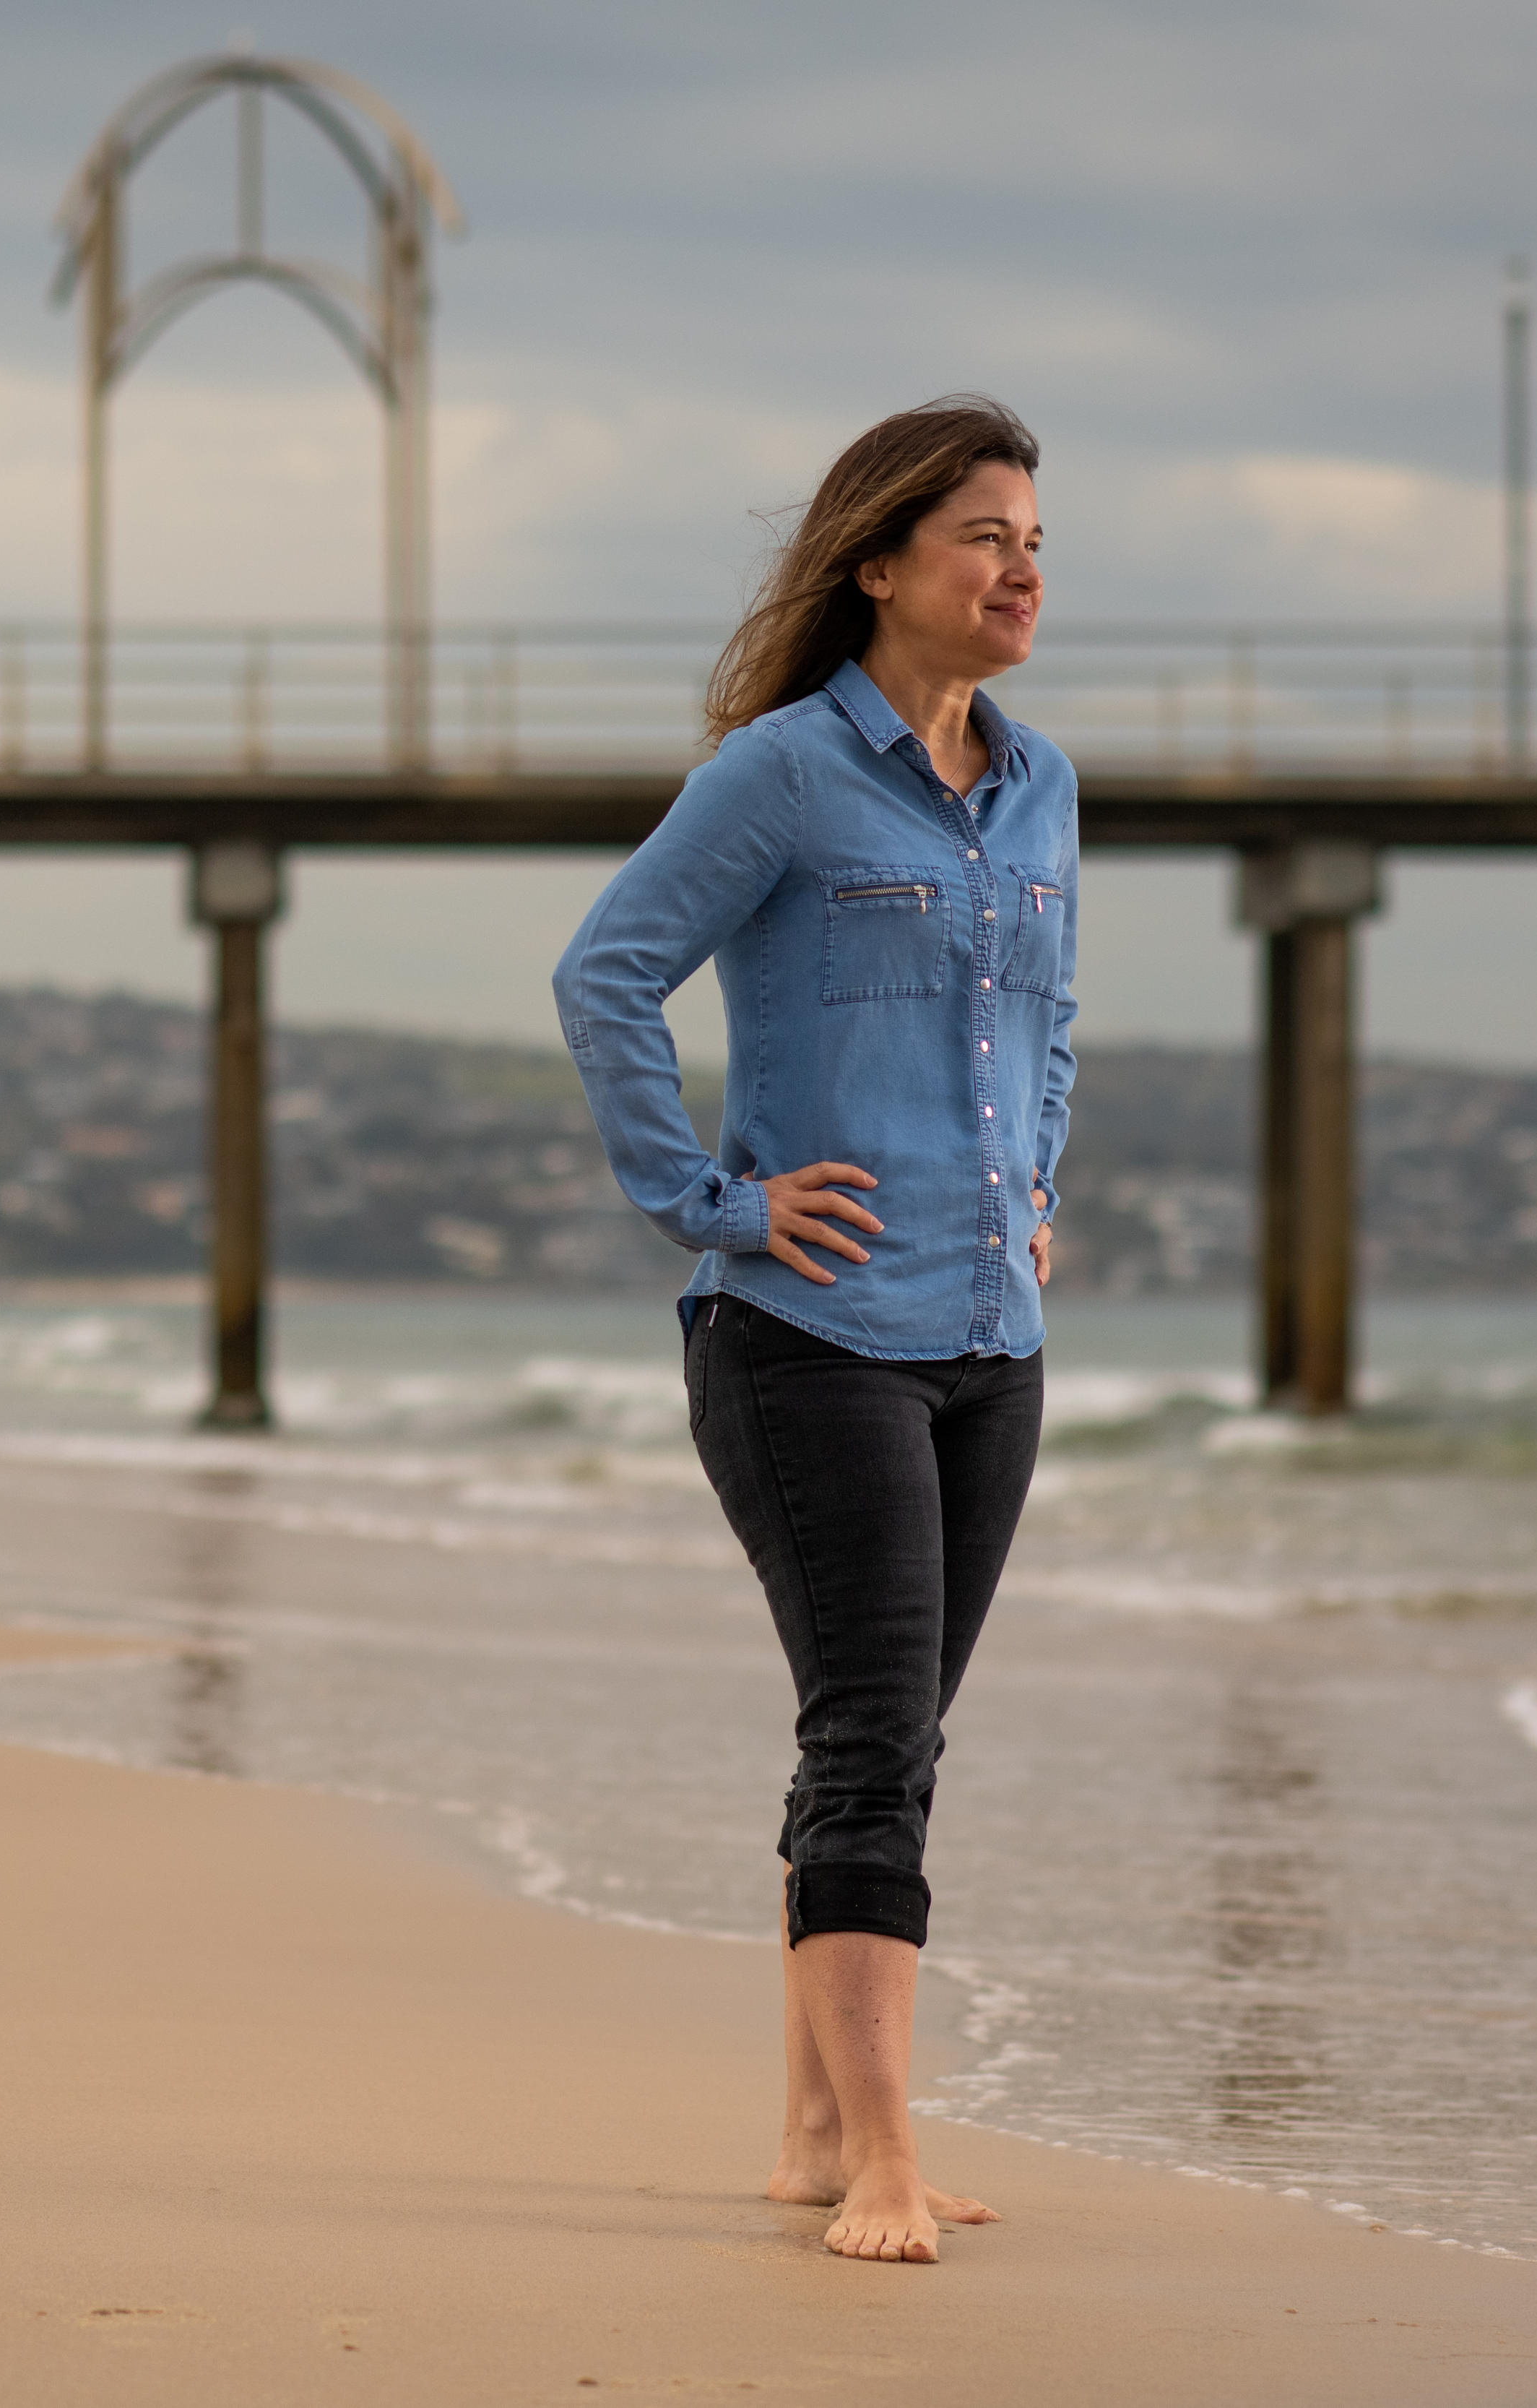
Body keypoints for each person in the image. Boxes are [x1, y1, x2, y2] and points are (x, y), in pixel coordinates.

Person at [550, 396, 1073, 2265]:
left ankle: (804, 2130)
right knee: (868, 1735)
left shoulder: (1042, 786)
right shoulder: (779, 774)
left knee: (899, 1736)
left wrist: (1037, 1180)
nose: (1020, 567)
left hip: (990, 1328)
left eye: (1033, 539)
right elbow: (606, 969)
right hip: (806, 1331)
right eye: (983, 537)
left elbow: (1047, 1015)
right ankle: (880, 2162)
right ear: (876, 562)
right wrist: (710, 1201)